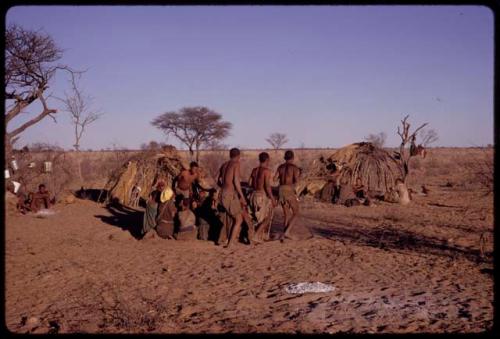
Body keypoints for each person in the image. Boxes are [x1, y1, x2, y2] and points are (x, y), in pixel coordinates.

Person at [217, 148, 246, 247]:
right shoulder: (236, 164)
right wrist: (242, 196)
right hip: (229, 194)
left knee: (231, 218)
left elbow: (219, 180)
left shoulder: (224, 165)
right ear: (238, 156)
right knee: (239, 219)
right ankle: (230, 244)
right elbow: (237, 182)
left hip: (222, 194)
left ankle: (226, 239)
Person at [248, 152, 277, 243]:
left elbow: (249, 183)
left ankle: (256, 237)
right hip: (260, 196)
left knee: (255, 217)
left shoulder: (254, 170)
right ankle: (256, 236)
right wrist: (272, 198)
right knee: (266, 219)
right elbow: (267, 187)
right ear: (267, 160)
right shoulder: (266, 171)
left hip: (252, 195)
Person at [274, 150, 301, 241]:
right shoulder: (294, 168)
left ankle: (283, 235)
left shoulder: (280, 167)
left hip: (280, 190)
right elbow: (296, 181)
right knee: (296, 213)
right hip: (288, 189)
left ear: (285, 158)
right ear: (293, 158)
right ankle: (287, 232)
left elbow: (274, 179)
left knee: (286, 214)